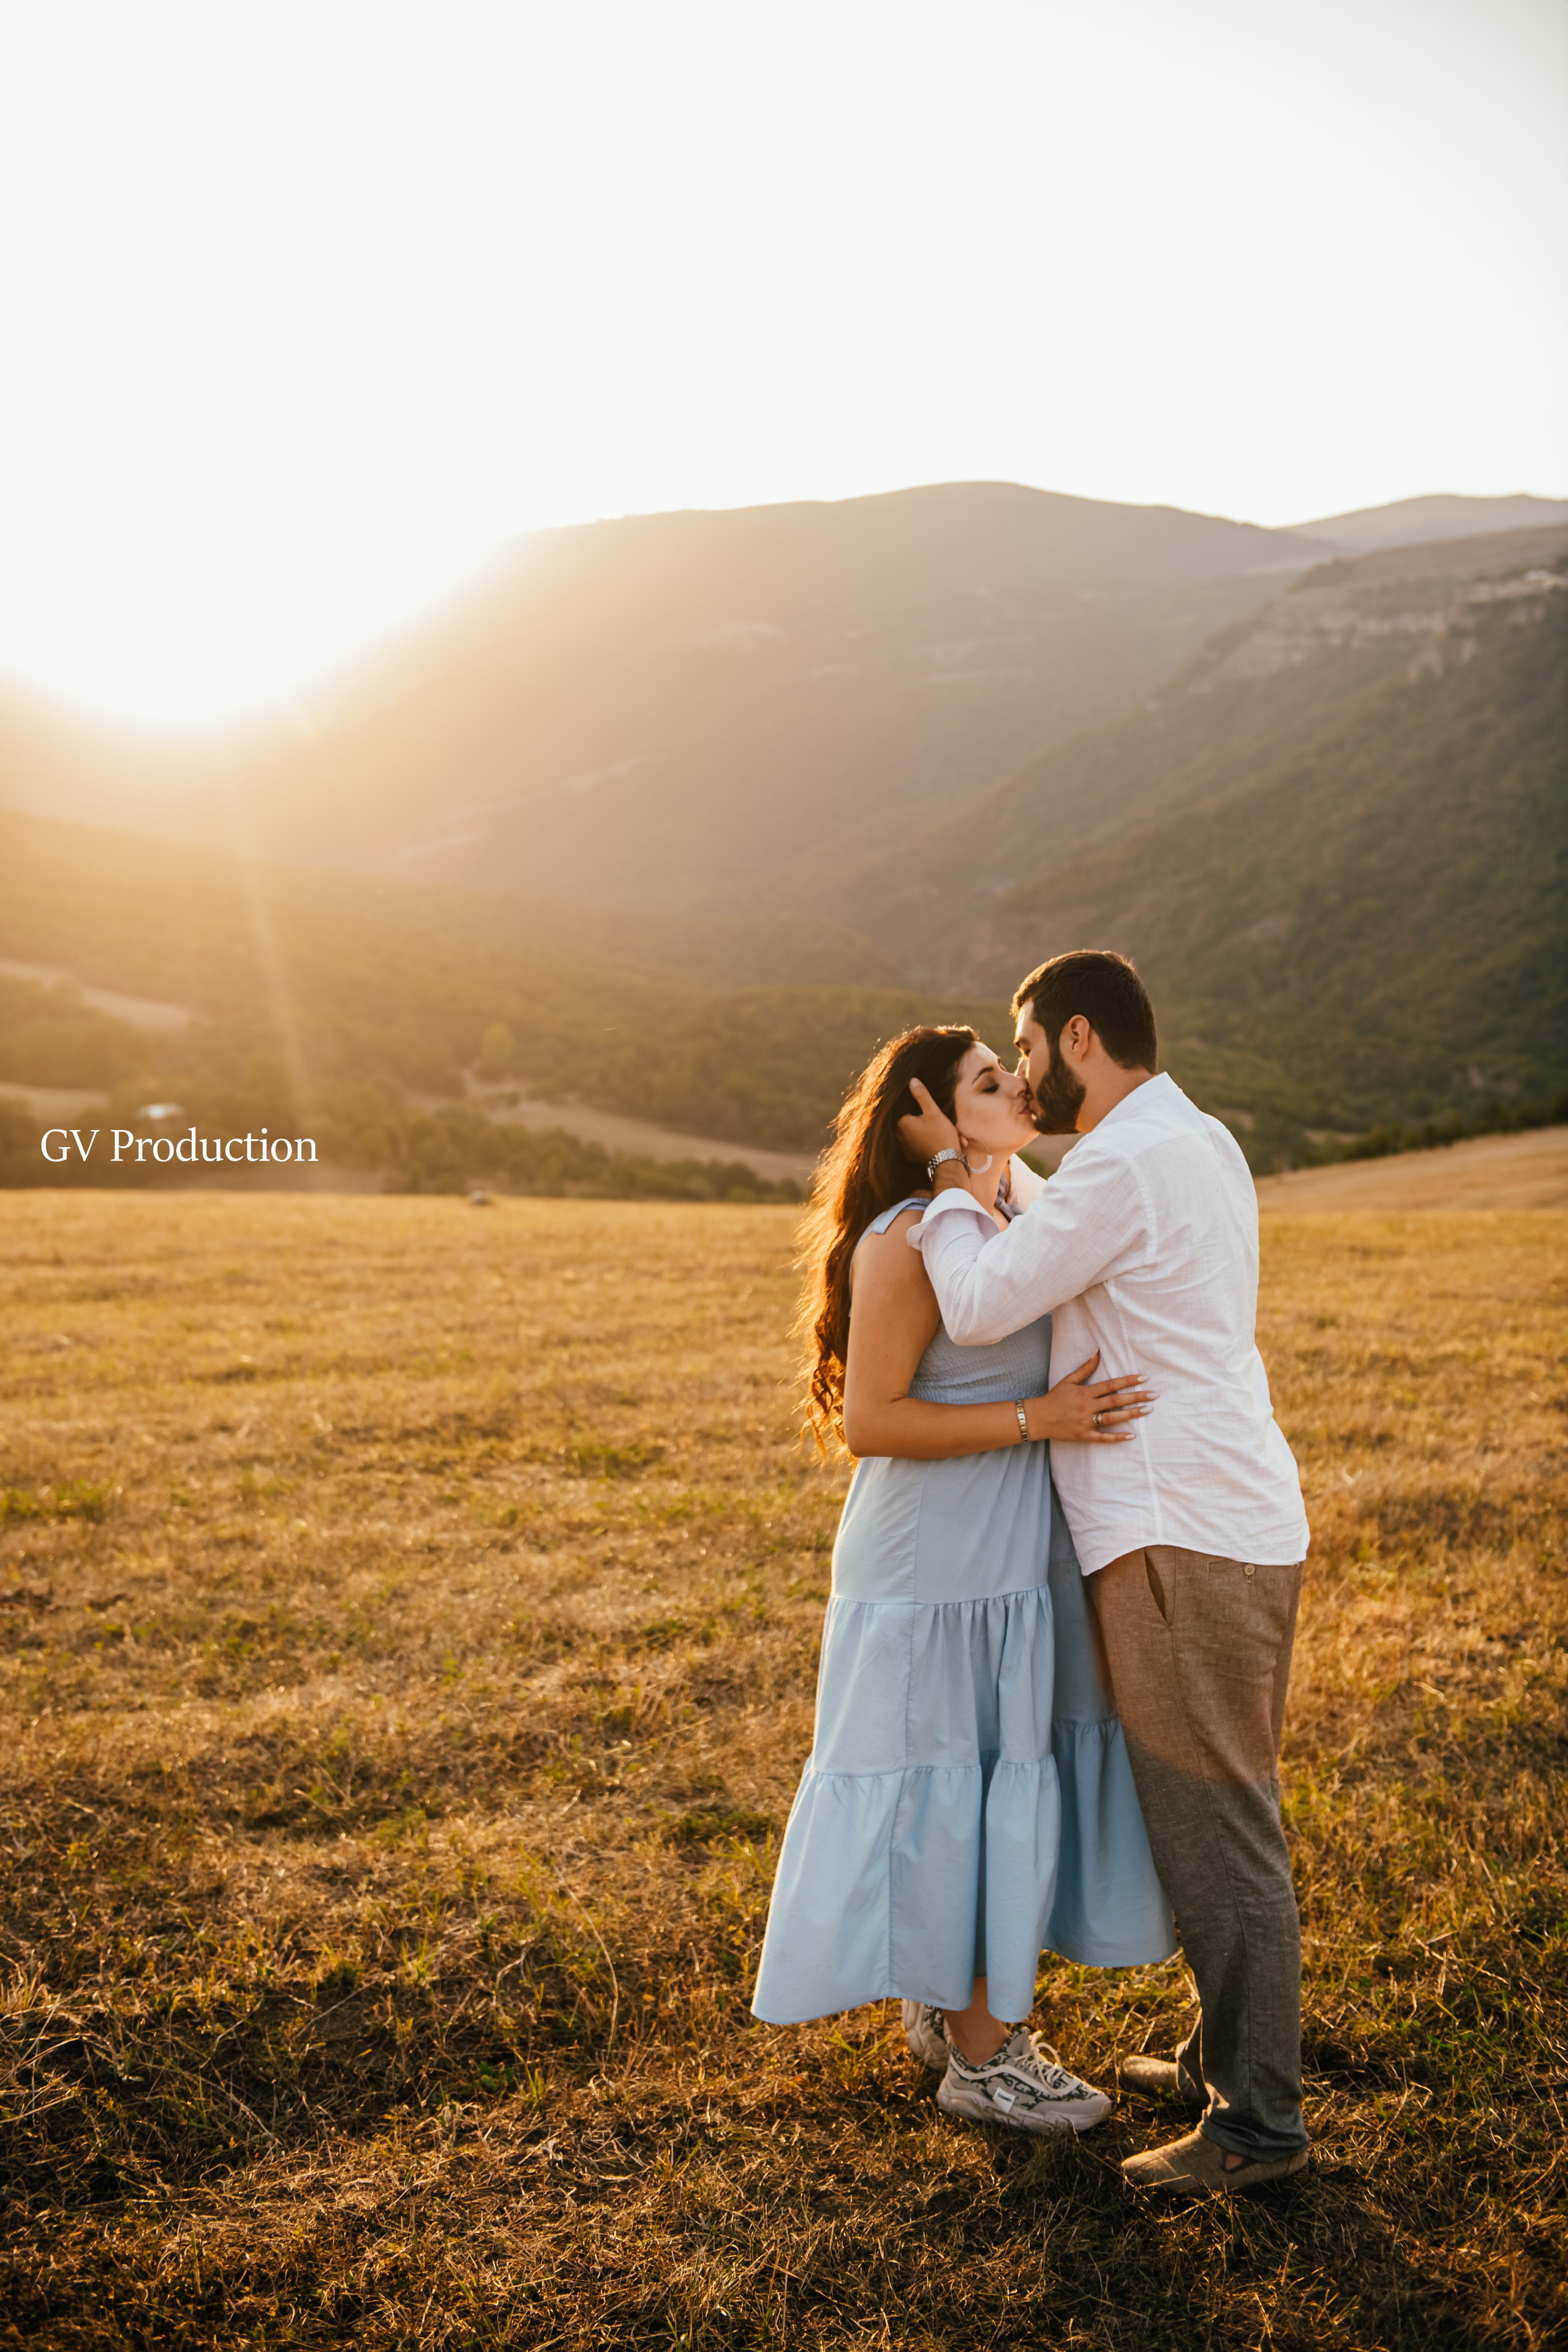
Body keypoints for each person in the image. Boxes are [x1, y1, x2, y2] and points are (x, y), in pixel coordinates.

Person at [897, 949, 1311, 2196]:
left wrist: (945, 1175)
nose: (1024, 1076)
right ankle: (1215, 2060)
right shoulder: (1190, 1138)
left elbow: (978, 1305)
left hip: (1178, 1531)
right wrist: (988, 1167)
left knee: (1217, 1826)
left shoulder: (1122, 1164)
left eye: (1026, 1049)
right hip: (1233, 1517)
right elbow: (1060, 1227)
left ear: (1077, 1036)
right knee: (1220, 1810)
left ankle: (1256, 2126)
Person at [751, 1023, 1175, 2136]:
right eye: (991, 1081)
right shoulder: (902, 1241)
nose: (1022, 1086)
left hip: (1004, 1560)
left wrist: (964, 1162)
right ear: (926, 1117)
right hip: (933, 1566)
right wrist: (1041, 1418)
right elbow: (872, 1421)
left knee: (987, 1780)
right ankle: (985, 2062)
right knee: (956, 1784)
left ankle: (952, 2012)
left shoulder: (1006, 1213)